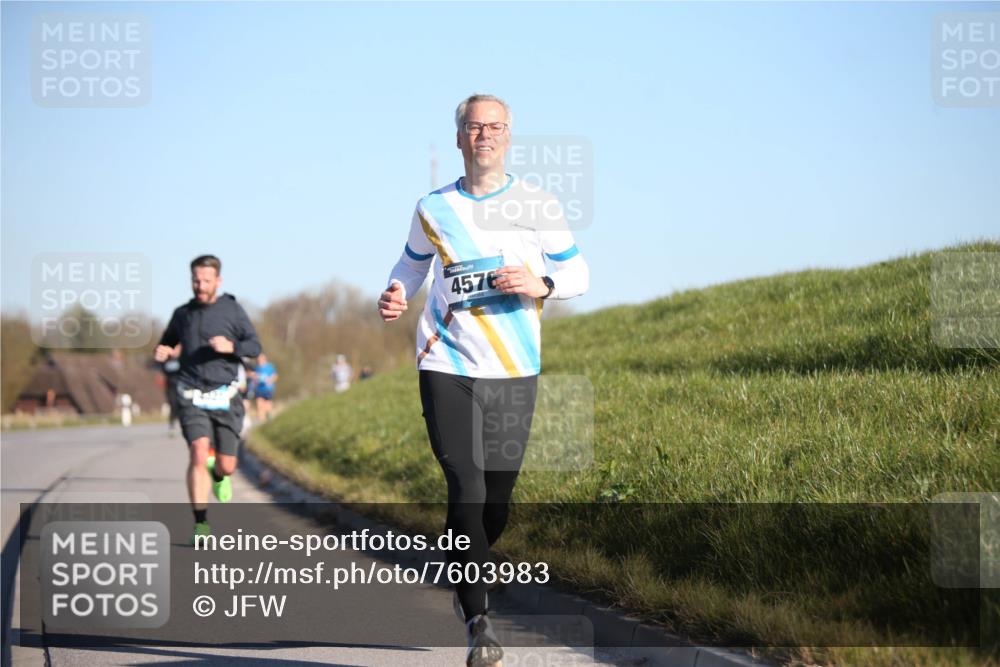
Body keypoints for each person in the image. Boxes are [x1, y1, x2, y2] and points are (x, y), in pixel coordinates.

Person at [378, 94, 589, 667]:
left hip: (514, 368)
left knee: (496, 503)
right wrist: (397, 291)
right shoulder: (433, 207)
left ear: (509, 135)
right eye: (474, 127)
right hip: (446, 362)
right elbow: (411, 265)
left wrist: (541, 284)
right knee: (465, 488)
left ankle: (463, 564)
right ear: (459, 138)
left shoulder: (537, 203)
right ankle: (479, 623)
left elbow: (577, 272)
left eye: (494, 127)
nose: (484, 135)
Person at [154, 255, 261, 543]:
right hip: (191, 394)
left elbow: (254, 346)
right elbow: (167, 342)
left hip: (226, 396)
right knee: (198, 451)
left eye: (206, 281)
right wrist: (164, 350)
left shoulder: (233, 310)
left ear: (218, 281)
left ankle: (219, 473)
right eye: (195, 280)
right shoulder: (183, 314)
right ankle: (201, 524)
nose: (200, 286)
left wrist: (232, 346)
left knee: (227, 465)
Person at [253, 353, 278, 422]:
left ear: (264, 358)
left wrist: (270, 380)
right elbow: (254, 378)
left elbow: (275, 376)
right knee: (259, 405)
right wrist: (255, 380)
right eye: (258, 358)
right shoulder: (257, 368)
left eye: (261, 358)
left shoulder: (270, 366)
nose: (259, 360)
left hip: (268, 389)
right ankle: (262, 421)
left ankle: (269, 418)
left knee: (267, 404)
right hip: (259, 389)